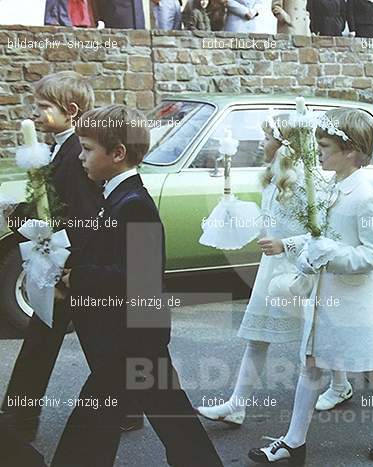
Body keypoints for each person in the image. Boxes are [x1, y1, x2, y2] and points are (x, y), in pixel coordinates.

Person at [51, 105, 223, 467]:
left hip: (133, 340)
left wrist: (78, 278)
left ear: (117, 154)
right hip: (127, 337)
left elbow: (138, 278)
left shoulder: (135, 204)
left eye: (86, 148)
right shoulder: (114, 196)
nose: (80, 157)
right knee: (147, 421)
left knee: (147, 422)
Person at [248, 109, 373, 463]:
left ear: (350, 151)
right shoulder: (333, 187)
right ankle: (294, 442)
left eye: (324, 145)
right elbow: (318, 235)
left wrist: (330, 254)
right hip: (325, 296)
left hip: (354, 298)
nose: (317, 151)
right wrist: (290, 246)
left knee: (372, 366)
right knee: (311, 363)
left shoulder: (365, 196)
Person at [0, 71, 106, 441]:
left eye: (44, 107)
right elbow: (52, 204)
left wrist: (69, 267)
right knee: (95, 343)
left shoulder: (77, 152)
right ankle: (128, 407)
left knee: (47, 339)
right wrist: (23, 214)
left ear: (71, 110)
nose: (36, 112)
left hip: (71, 265)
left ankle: (18, 420)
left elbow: (78, 212)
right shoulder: (63, 148)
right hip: (66, 263)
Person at [196, 114, 321, 423]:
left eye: (266, 138)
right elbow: (270, 222)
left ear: (283, 145)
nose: (261, 144)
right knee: (257, 337)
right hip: (272, 272)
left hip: (302, 273)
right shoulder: (272, 179)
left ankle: (341, 385)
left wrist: (285, 244)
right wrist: (231, 212)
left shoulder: (307, 183)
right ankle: (237, 405)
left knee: (315, 340)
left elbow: (321, 234)